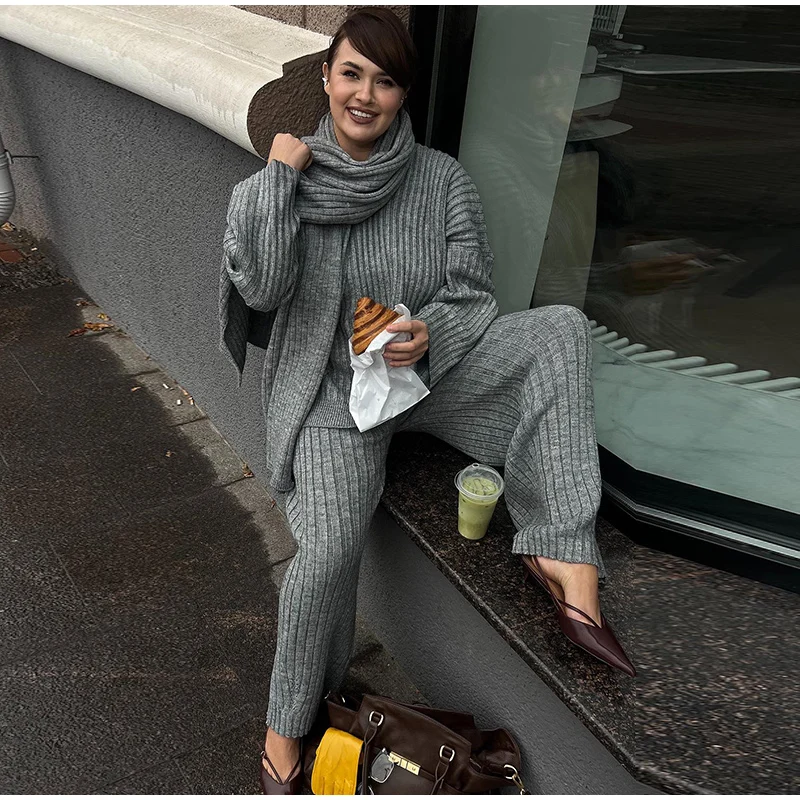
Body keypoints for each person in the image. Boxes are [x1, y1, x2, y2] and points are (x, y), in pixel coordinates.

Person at [219, 7, 636, 794]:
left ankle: (560, 549)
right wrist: (279, 178)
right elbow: (263, 288)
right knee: (328, 553)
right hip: (334, 399)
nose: (364, 94)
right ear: (326, 77)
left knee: (560, 331)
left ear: (404, 94)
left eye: (384, 81)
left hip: (423, 381)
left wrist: (425, 333)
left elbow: (472, 294)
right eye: (351, 73)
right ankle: (283, 734)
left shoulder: (443, 181)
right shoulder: (277, 185)